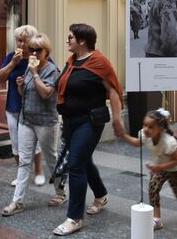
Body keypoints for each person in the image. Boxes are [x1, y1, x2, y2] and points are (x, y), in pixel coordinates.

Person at [53, 23, 125, 236]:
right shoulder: (72, 61)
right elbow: (60, 86)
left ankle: (74, 218)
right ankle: (101, 194)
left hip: (90, 121)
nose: (68, 40)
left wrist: (118, 119)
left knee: (75, 164)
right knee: (84, 160)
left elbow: (113, 90)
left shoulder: (99, 62)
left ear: (82, 41)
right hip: (70, 120)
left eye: (71, 37)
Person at [2, 33, 66, 216]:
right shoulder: (30, 67)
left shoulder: (52, 70)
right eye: (32, 50)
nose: (34, 53)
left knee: (52, 158)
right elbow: (26, 95)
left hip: (46, 122)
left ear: (47, 52)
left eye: (39, 50)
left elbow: (46, 93)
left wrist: (34, 74)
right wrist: (21, 85)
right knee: (24, 161)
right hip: (26, 120)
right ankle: (17, 201)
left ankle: (60, 192)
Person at [121, 109, 177, 230]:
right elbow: (137, 143)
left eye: (151, 127)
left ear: (160, 129)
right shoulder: (145, 134)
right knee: (153, 188)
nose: (146, 129)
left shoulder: (168, 142)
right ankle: (157, 220)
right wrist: (123, 135)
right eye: (145, 125)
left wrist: (158, 167)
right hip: (160, 166)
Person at [0, 25, 45, 186]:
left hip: (33, 107)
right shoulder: (12, 56)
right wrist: (12, 64)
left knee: (35, 141)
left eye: (24, 41)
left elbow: (52, 75)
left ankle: (39, 171)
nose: (21, 44)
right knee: (16, 142)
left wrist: (34, 74)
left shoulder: (37, 56)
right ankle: (21, 174)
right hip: (14, 106)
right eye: (19, 40)